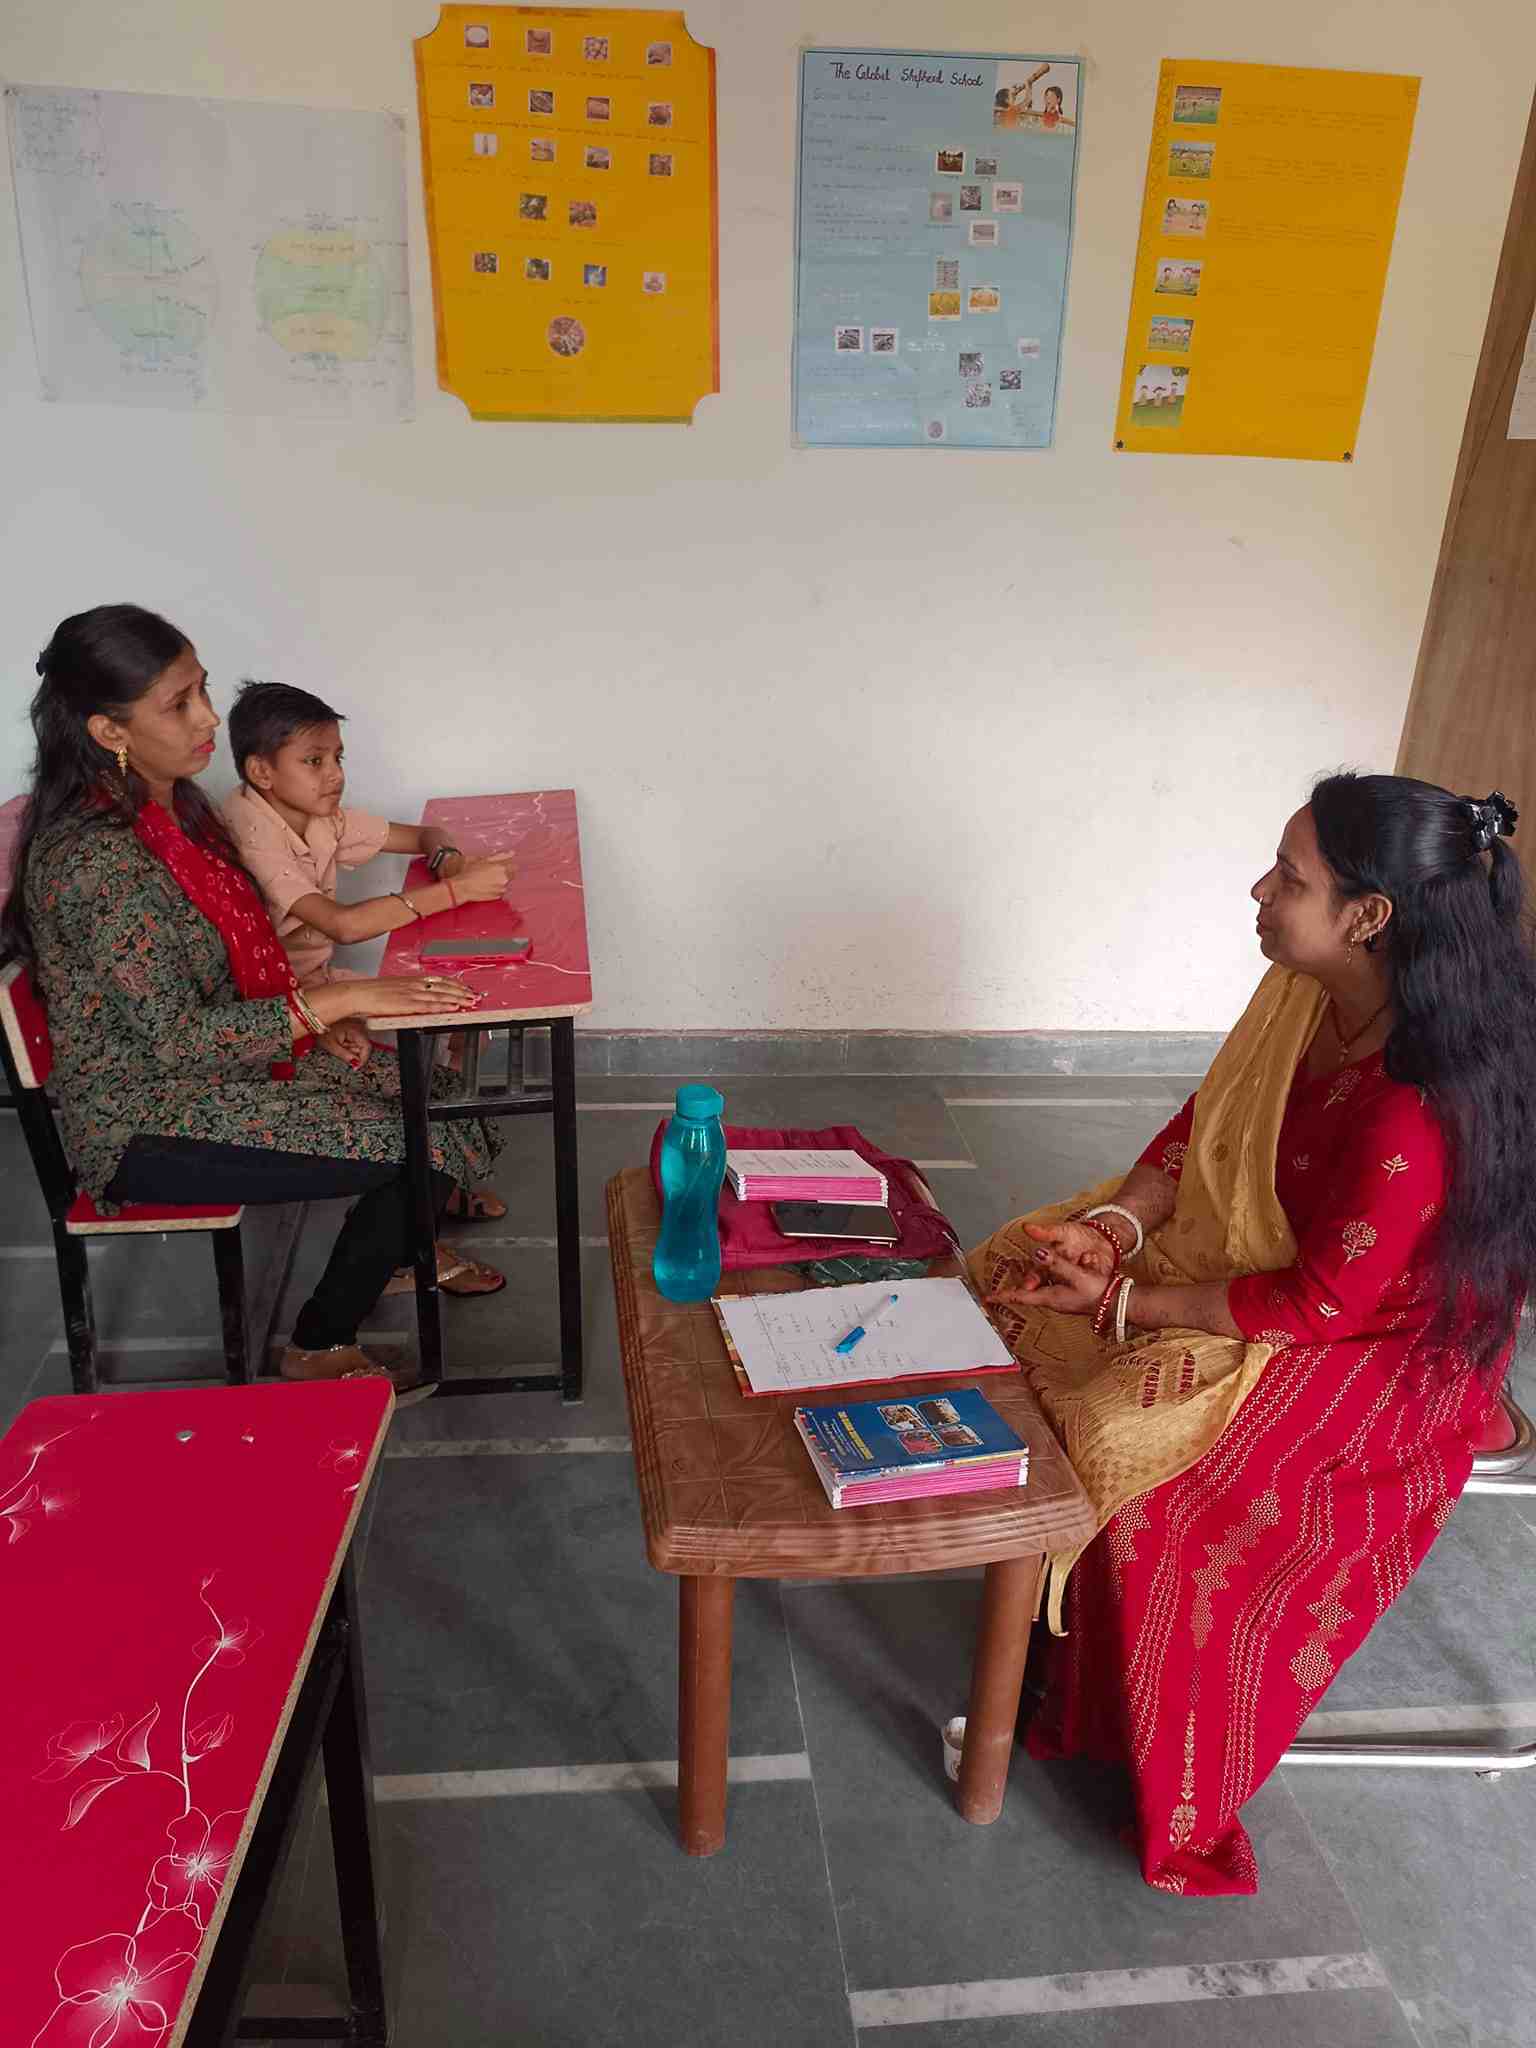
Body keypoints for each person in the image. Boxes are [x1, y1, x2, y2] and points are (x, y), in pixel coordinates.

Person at [970, 774, 1533, 1895]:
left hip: (1381, 1347)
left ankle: (1130, 1723)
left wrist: (1127, 1307)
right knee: (1012, 1267)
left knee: (1132, 1443)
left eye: (1292, 876)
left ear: (1368, 917)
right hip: (1264, 1267)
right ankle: (1037, 1606)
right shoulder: (1305, 992)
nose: (1261, 889)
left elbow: (1321, 1304)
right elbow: (1206, 1126)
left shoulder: (1414, 1099)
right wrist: (1115, 1227)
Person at [0, 605, 508, 1401]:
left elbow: (229, 967)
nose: (209, 719)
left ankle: (399, 1255)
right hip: (144, 1118)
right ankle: (318, 1342)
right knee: (423, 1138)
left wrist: (319, 1015)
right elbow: (173, 1041)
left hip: (224, 1069)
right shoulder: (97, 862)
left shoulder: (173, 808)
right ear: (109, 732)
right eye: (180, 704)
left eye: (201, 690)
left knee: (444, 1101)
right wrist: (331, 1002)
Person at [220, 677, 514, 1248]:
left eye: (337, 757)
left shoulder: (316, 813)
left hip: (316, 986)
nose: (334, 774)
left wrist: (450, 861)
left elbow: (426, 833)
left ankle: (436, 1188)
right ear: (261, 772)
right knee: (433, 1059)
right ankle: (415, 1235)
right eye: (314, 760)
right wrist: (456, 893)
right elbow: (342, 924)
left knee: (458, 1018)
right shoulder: (253, 833)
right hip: (278, 1010)